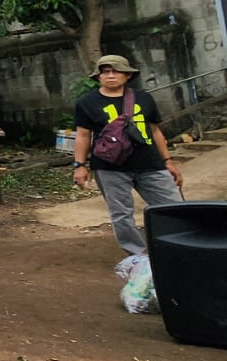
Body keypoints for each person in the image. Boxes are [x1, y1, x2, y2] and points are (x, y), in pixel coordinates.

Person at [72, 54, 184, 257]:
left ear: (127, 75)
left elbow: (155, 131)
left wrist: (167, 160)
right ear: (98, 77)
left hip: (150, 164)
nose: (111, 75)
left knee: (173, 207)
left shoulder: (144, 98)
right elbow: (83, 135)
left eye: (116, 71)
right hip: (110, 167)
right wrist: (79, 165)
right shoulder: (87, 102)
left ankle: (179, 248)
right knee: (121, 214)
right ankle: (137, 257)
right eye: (105, 72)